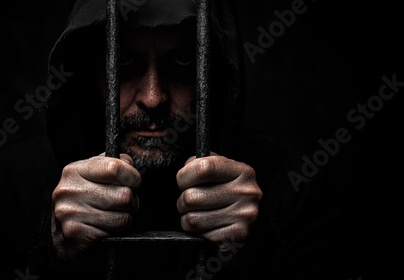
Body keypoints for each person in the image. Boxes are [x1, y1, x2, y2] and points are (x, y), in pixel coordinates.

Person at [31, 1, 268, 279]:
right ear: (88, 73)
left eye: (183, 61)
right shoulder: (7, 182)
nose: (153, 98)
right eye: (122, 62)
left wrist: (259, 253)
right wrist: (55, 251)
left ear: (216, 73)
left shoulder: (292, 184)